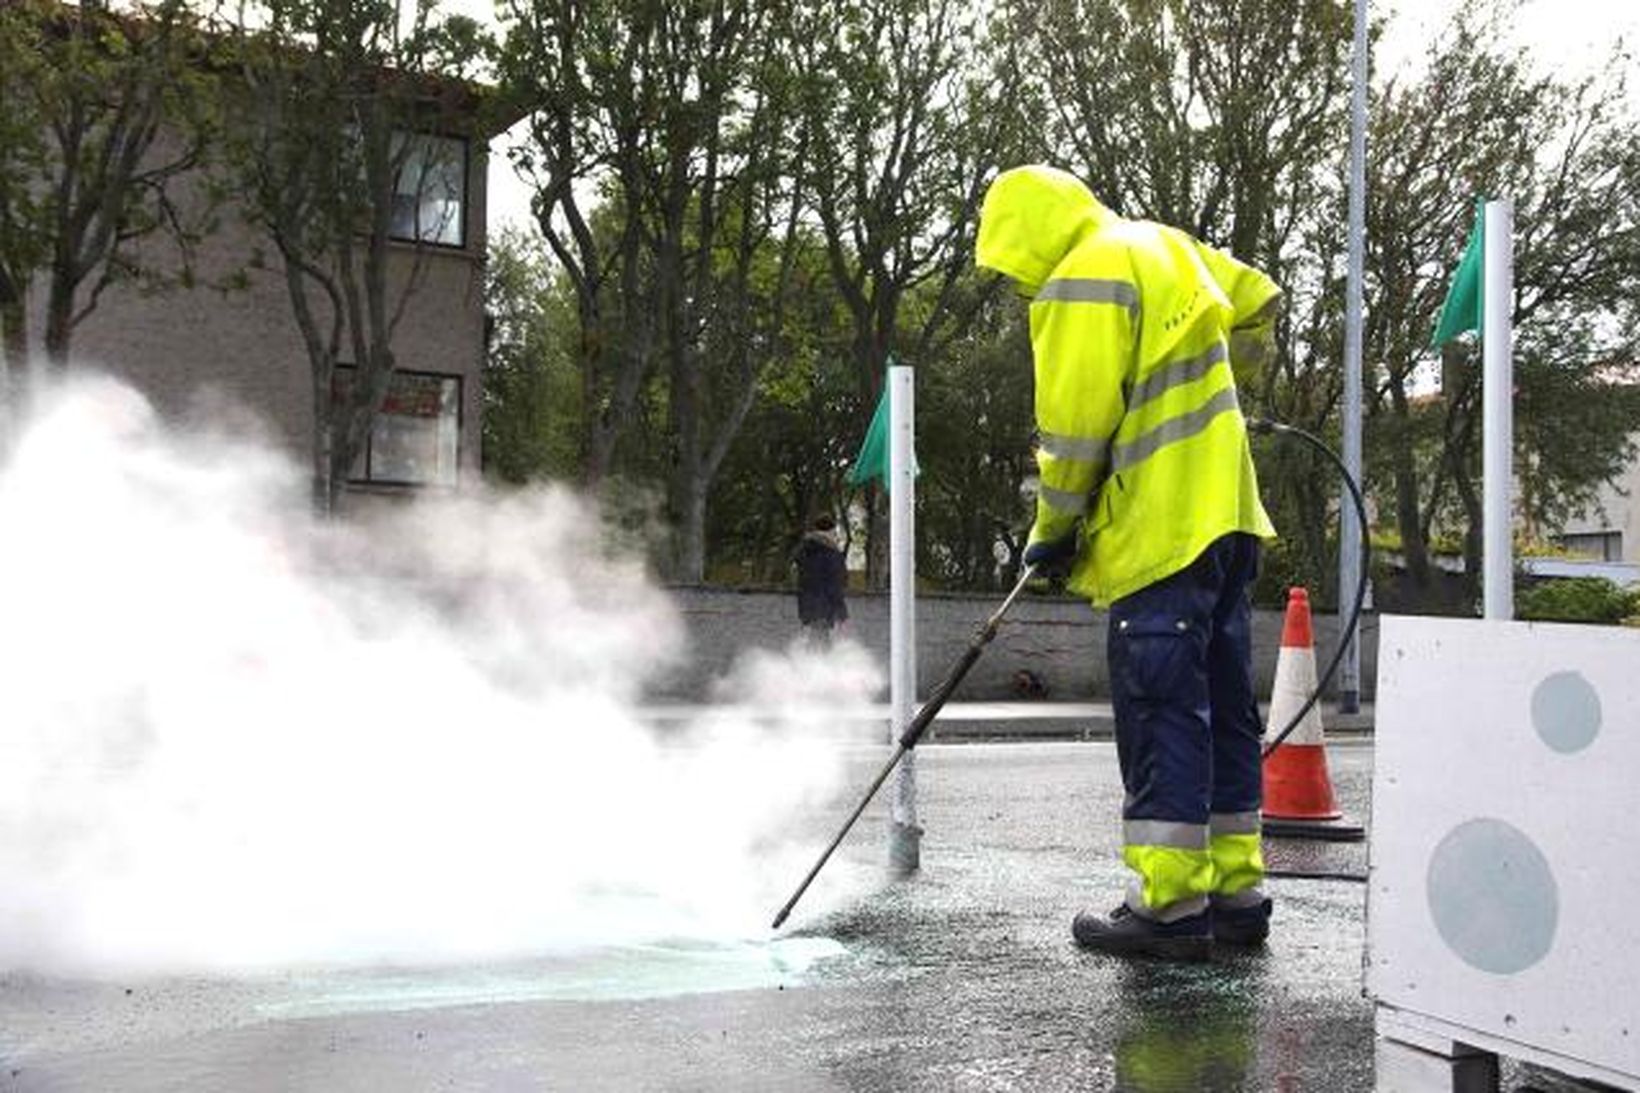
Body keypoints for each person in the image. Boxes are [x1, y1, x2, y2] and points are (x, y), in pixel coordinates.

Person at [975, 164, 1281, 961]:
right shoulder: (1160, 244)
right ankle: (1235, 893)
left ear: (1028, 233)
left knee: (1161, 711)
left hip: (1161, 530)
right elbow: (1257, 297)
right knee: (1222, 705)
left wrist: (1052, 529)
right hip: (1231, 519)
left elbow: (1075, 431)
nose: (1019, 287)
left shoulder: (1080, 278)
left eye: (1014, 267)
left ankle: (1169, 906)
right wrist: (1227, 376)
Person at [794, 514, 848, 646]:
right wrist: (842, 612)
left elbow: (801, 578)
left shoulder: (804, 549)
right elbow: (835, 584)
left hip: (807, 603)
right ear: (831, 531)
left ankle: (805, 663)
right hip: (824, 605)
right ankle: (819, 665)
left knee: (815, 638)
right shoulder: (831, 553)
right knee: (822, 641)